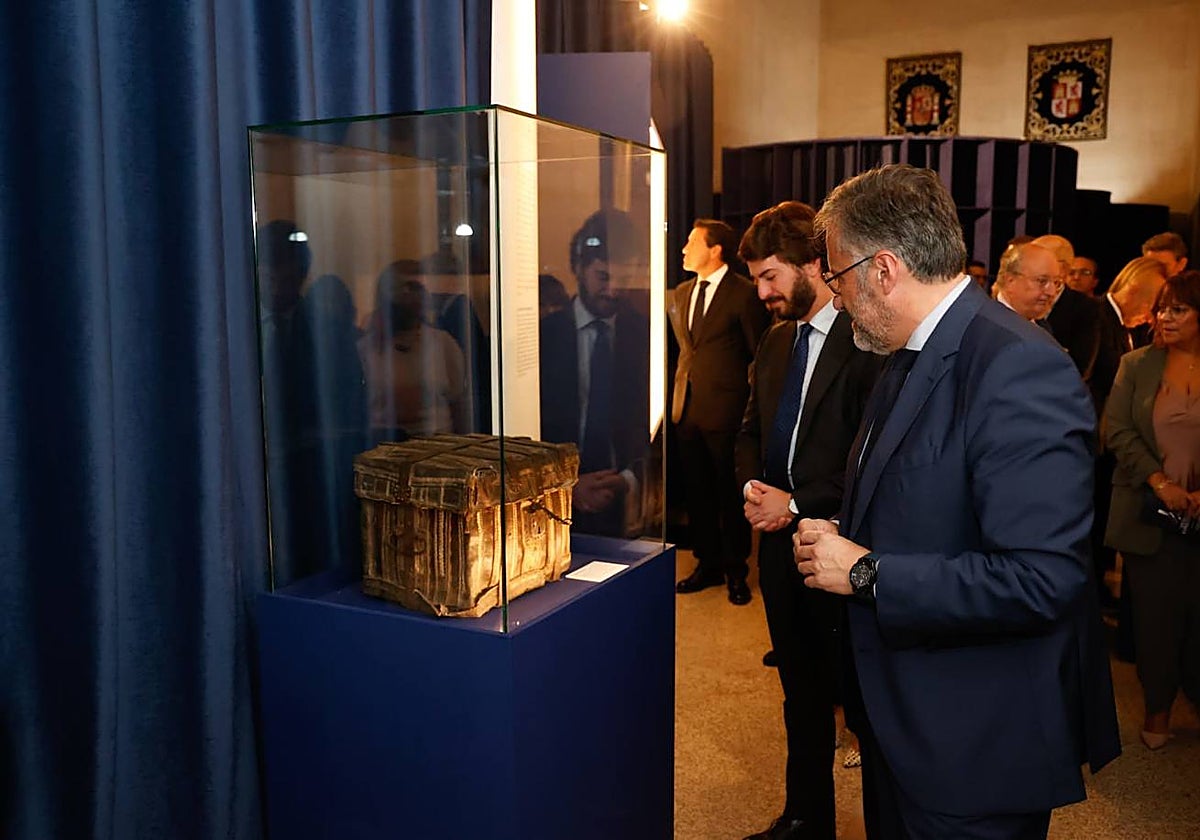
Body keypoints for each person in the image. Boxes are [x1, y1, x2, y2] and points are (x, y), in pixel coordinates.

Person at [794, 164, 1120, 839]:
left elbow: (1043, 578)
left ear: (883, 270)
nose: (835, 295)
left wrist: (864, 570)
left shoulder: (1015, 365)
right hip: (904, 716)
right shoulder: (909, 351)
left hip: (971, 742)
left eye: (836, 276)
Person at [735, 201, 882, 840]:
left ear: (813, 264)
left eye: (771, 276)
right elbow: (748, 429)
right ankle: (806, 818)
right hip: (777, 548)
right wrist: (752, 488)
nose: (763, 293)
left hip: (845, 548)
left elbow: (870, 456)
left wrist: (793, 504)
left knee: (865, 699)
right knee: (800, 692)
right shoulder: (774, 341)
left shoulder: (868, 340)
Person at [1102, 269, 1200, 750]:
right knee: (1157, 622)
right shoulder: (1137, 365)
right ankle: (1158, 710)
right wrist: (1161, 482)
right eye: (1161, 307)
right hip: (1151, 515)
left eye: (1177, 309)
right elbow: (1117, 430)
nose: (1164, 317)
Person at [670, 219, 769, 605]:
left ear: (715, 250)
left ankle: (736, 571)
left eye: (692, 242)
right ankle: (707, 563)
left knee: (731, 497)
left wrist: (751, 412)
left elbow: (758, 356)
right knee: (697, 494)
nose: (684, 249)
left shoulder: (743, 294)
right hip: (688, 409)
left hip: (728, 412)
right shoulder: (681, 292)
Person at [540, 209, 651, 537]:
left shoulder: (646, 334)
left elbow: (655, 424)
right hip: (551, 501)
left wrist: (629, 478)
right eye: (603, 276)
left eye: (623, 279)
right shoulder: (543, 337)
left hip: (624, 498)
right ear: (578, 268)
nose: (614, 290)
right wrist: (563, 486)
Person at [359, 261, 468, 443]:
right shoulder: (364, 349)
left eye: (416, 288)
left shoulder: (443, 344)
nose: (407, 296)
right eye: (399, 289)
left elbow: (458, 405)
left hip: (437, 447)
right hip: (383, 447)